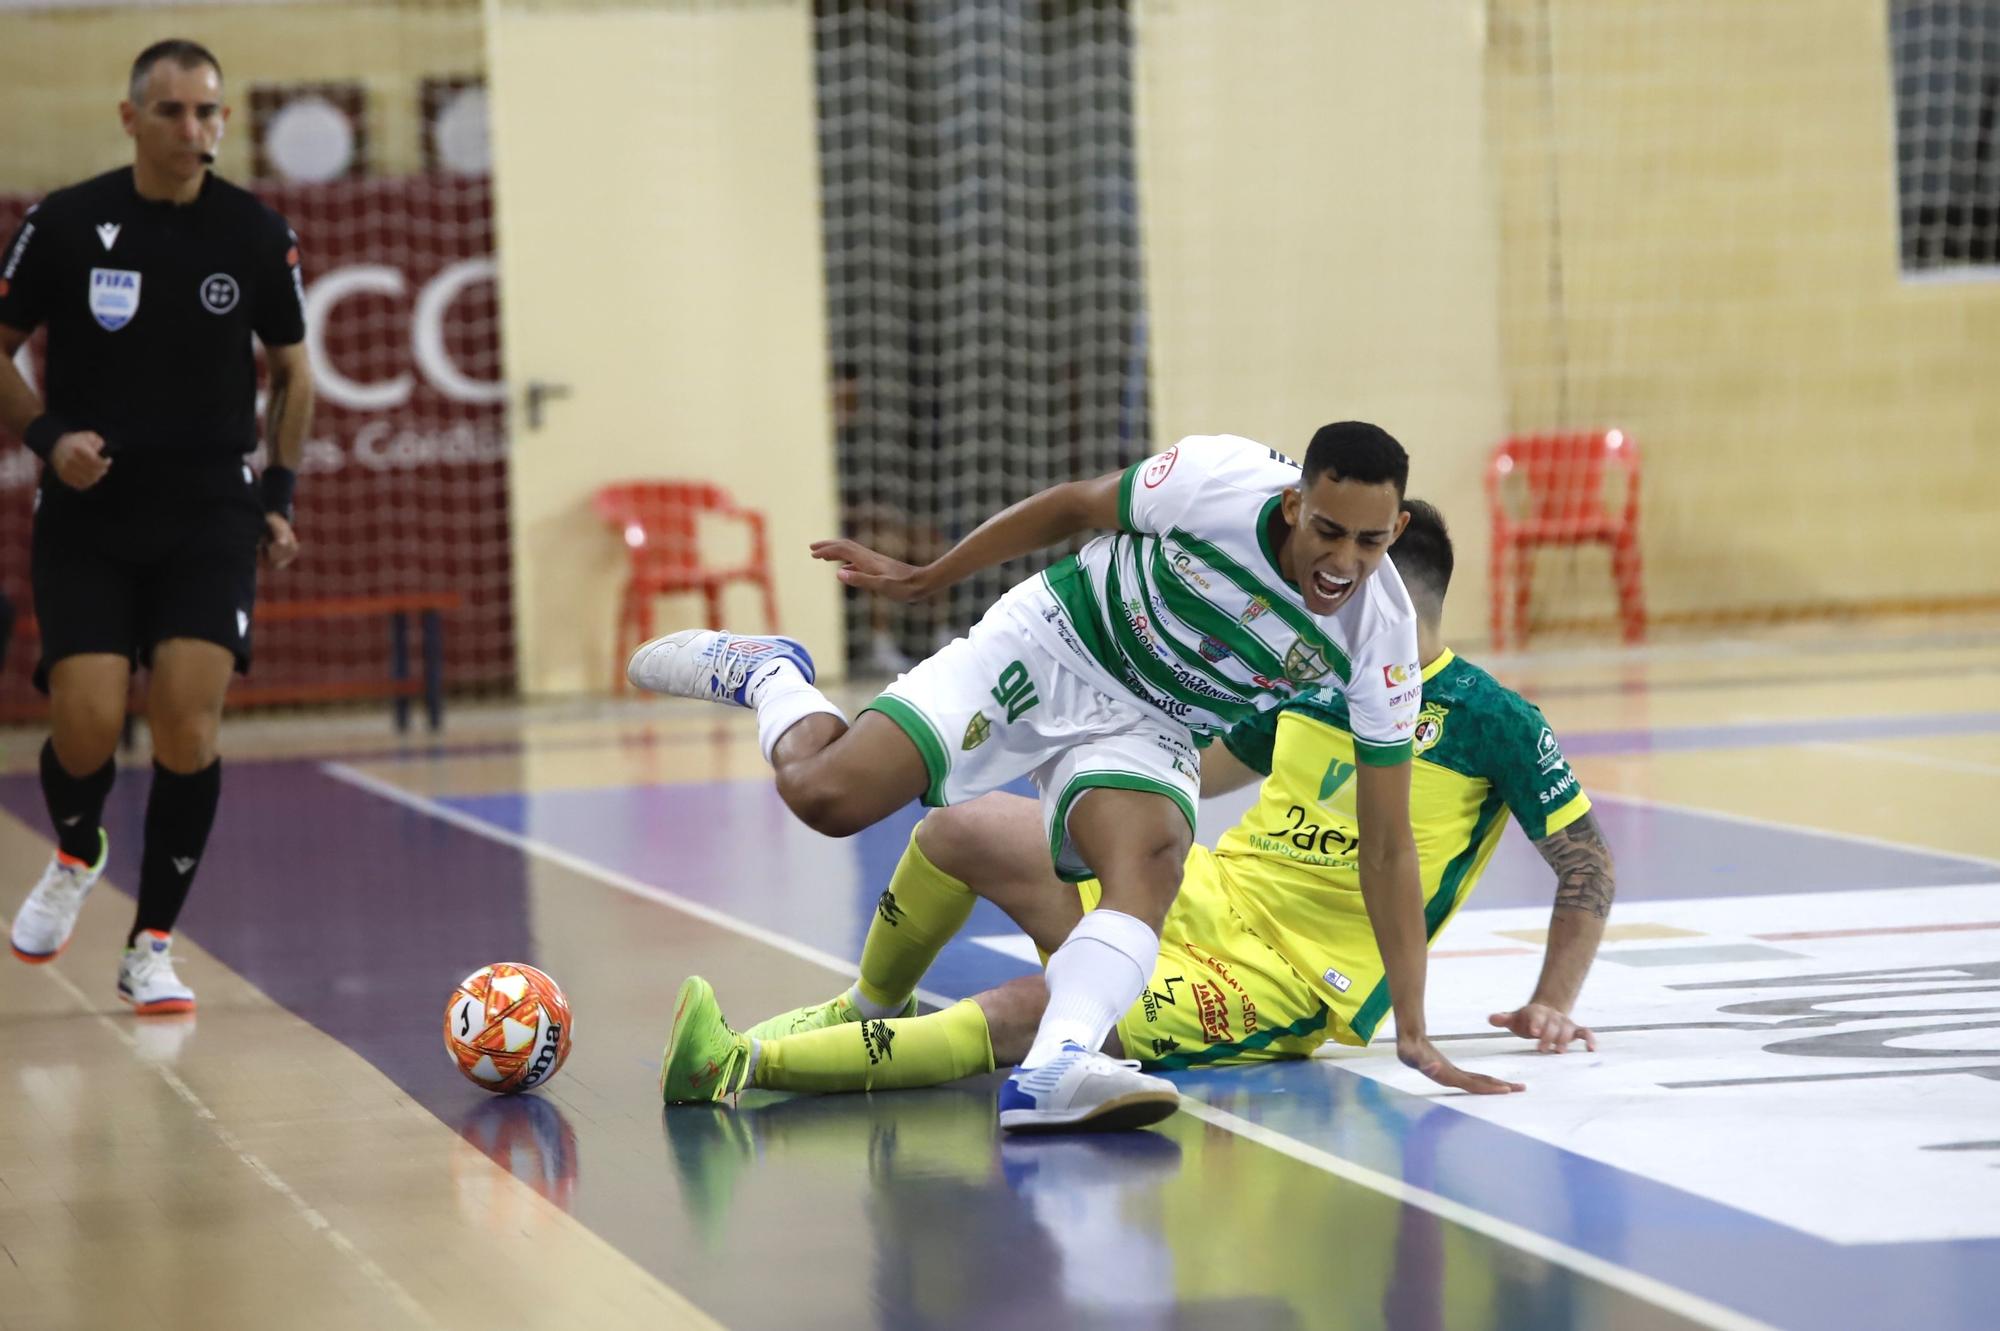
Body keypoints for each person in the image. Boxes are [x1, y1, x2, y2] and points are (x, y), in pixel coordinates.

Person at [632, 423, 1496, 1131]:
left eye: (1372, 541)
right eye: (1329, 532)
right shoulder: (1216, 479)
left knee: (1154, 853)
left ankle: (1059, 1064)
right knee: (826, 797)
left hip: (1151, 721)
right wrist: (933, 577)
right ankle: (770, 675)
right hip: (1054, 642)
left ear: (1398, 534)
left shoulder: (1380, 637)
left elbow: (1386, 847)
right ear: (1294, 502)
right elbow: (1073, 506)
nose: (1344, 561)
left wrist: (1412, 1028)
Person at [0, 39, 313, 1013]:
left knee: (186, 720)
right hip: (92, 511)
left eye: (209, 112)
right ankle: (78, 846)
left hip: (210, 512)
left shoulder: (255, 234)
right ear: (132, 118)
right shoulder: (66, 220)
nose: (195, 131)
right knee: (86, 724)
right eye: (174, 112)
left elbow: (294, 371)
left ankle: (152, 944)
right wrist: (49, 438)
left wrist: (278, 495)